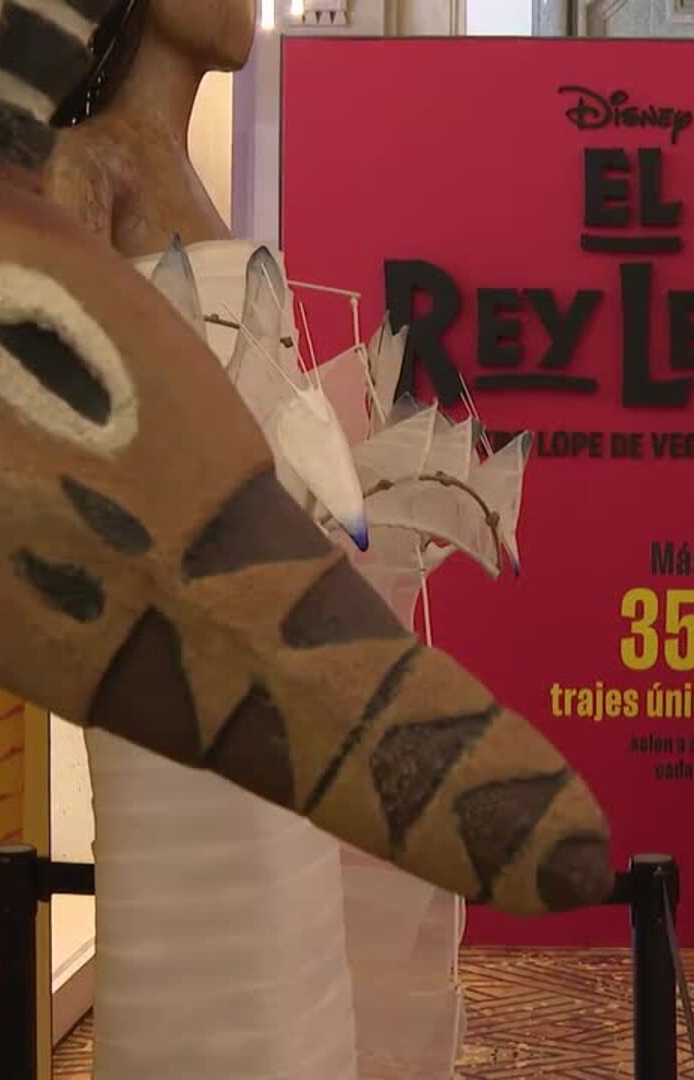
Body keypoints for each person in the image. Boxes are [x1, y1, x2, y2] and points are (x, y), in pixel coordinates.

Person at [46, 4, 465, 1076]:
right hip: (175, 652)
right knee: (210, 961)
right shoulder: (89, 164)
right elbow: (50, 402)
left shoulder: (186, 177)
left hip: (264, 644)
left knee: (292, 948)